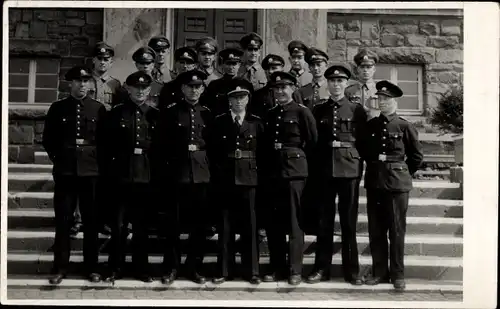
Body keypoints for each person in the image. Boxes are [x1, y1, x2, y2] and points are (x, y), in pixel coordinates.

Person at [42, 66, 107, 285]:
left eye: (85, 81)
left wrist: (99, 165)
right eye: (77, 81)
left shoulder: (98, 109)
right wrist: (59, 160)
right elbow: (48, 140)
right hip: (66, 171)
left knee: (91, 221)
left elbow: (105, 142)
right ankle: (60, 267)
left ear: (90, 84)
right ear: (70, 83)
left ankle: (92, 268)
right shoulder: (58, 108)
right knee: (63, 221)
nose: (81, 85)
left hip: (91, 171)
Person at [306, 64, 367, 286]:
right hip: (324, 170)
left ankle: (352, 271)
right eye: (332, 81)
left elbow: (363, 142)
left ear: (346, 84)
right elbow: (313, 142)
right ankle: (321, 268)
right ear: (328, 84)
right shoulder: (318, 109)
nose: (336, 84)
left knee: (349, 223)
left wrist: (359, 168)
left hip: (349, 170)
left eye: (340, 81)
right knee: (324, 222)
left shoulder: (356, 110)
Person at [360, 80, 424, 292]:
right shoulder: (370, 126)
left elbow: (416, 156)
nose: (383, 102)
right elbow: (365, 152)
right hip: (375, 182)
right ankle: (380, 272)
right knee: (376, 230)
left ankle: (398, 274)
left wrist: (402, 172)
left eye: (387, 99)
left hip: (397, 185)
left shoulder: (405, 126)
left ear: (395, 101)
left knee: (396, 231)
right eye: (380, 99)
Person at [154, 70, 213, 285]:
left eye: (198, 87)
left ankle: (194, 267)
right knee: (174, 226)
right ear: (182, 89)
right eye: (190, 86)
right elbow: (161, 146)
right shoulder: (170, 113)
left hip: (201, 176)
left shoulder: (208, 113)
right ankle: (171, 267)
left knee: (198, 226)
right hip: (177, 175)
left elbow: (213, 147)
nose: (194, 90)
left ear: (203, 89)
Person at [102, 71, 160, 283]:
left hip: (145, 176)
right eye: (136, 87)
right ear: (128, 89)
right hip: (121, 175)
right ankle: (115, 267)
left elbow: (159, 149)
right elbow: (106, 147)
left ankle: (141, 268)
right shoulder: (116, 114)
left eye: (144, 88)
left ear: (149, 90)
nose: (140, 91)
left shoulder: (155, 115)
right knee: (118, 225)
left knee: (141, 226)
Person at [261, 71, 318, 286]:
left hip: (295, 172)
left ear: (293, 88)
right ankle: (278, 268)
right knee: (275, 223)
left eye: (284, 87)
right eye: (276, 88)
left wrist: (301, 164)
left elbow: (312, 143)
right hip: (274, 173)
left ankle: (295, 270)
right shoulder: (271, 113)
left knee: (295, 223)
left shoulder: (302, 112)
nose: (280, 92)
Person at [211, 78, 264, 285]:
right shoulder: (220, 122)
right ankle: (224, 270)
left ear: (248, 99)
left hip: (249, 178)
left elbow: (263, 154)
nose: (239, 101)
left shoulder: (256, 123)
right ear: (229, 101)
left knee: (250, 226)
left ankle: (252, 271)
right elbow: (214, 152)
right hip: (226, 178)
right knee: (225, 227)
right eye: (234, 98)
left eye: (242, 97)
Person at [88, 41, 121, 238]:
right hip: (89, 137)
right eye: (99, 59)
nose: (102, 62)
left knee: (108, 180)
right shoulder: (85, 81)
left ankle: (105, 220)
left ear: (111, 62)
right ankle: (81, 219)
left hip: (109, 138)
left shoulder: (116, 84)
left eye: (106, 59)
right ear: (93, 60)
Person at [203, 48, 245, 116]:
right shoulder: (214, 85)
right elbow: (209, 108)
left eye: (234, 64)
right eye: (228, 63)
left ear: (239, 65)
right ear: (222, 64)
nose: (231, 67)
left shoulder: (246, 85)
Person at [158, 46, 198, 111]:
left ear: (194, 65)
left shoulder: (199, 87)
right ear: (176, 64)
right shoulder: (168, 87)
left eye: (188, 63)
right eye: (182, 62)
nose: (185, 66)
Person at [345, 48, 380, 120]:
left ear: (374, 69)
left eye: (369, 67)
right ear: (357, 69)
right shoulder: (349, 91)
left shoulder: (379, 91)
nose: (365, 70)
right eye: (362, 67)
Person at [248, 53, 285, 118]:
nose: (270, 71)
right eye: (267, 69)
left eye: (274, 68)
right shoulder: (257, 95)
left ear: (282, 69)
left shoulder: (291, 91)